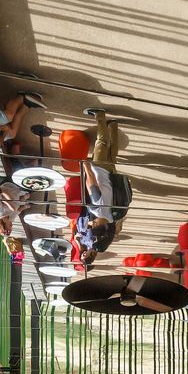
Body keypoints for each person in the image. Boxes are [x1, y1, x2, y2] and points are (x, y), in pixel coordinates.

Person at [75, 108, 130, 267]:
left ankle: (113, 126)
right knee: (101, 142)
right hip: (100, 170)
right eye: (94, 226)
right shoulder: (96, 210)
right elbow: (91, 182)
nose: (92, 224)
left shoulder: (112, 218)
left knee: (113, 153)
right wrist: (85, 165)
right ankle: (99, 115)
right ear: (98, 225)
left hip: (112, 175)